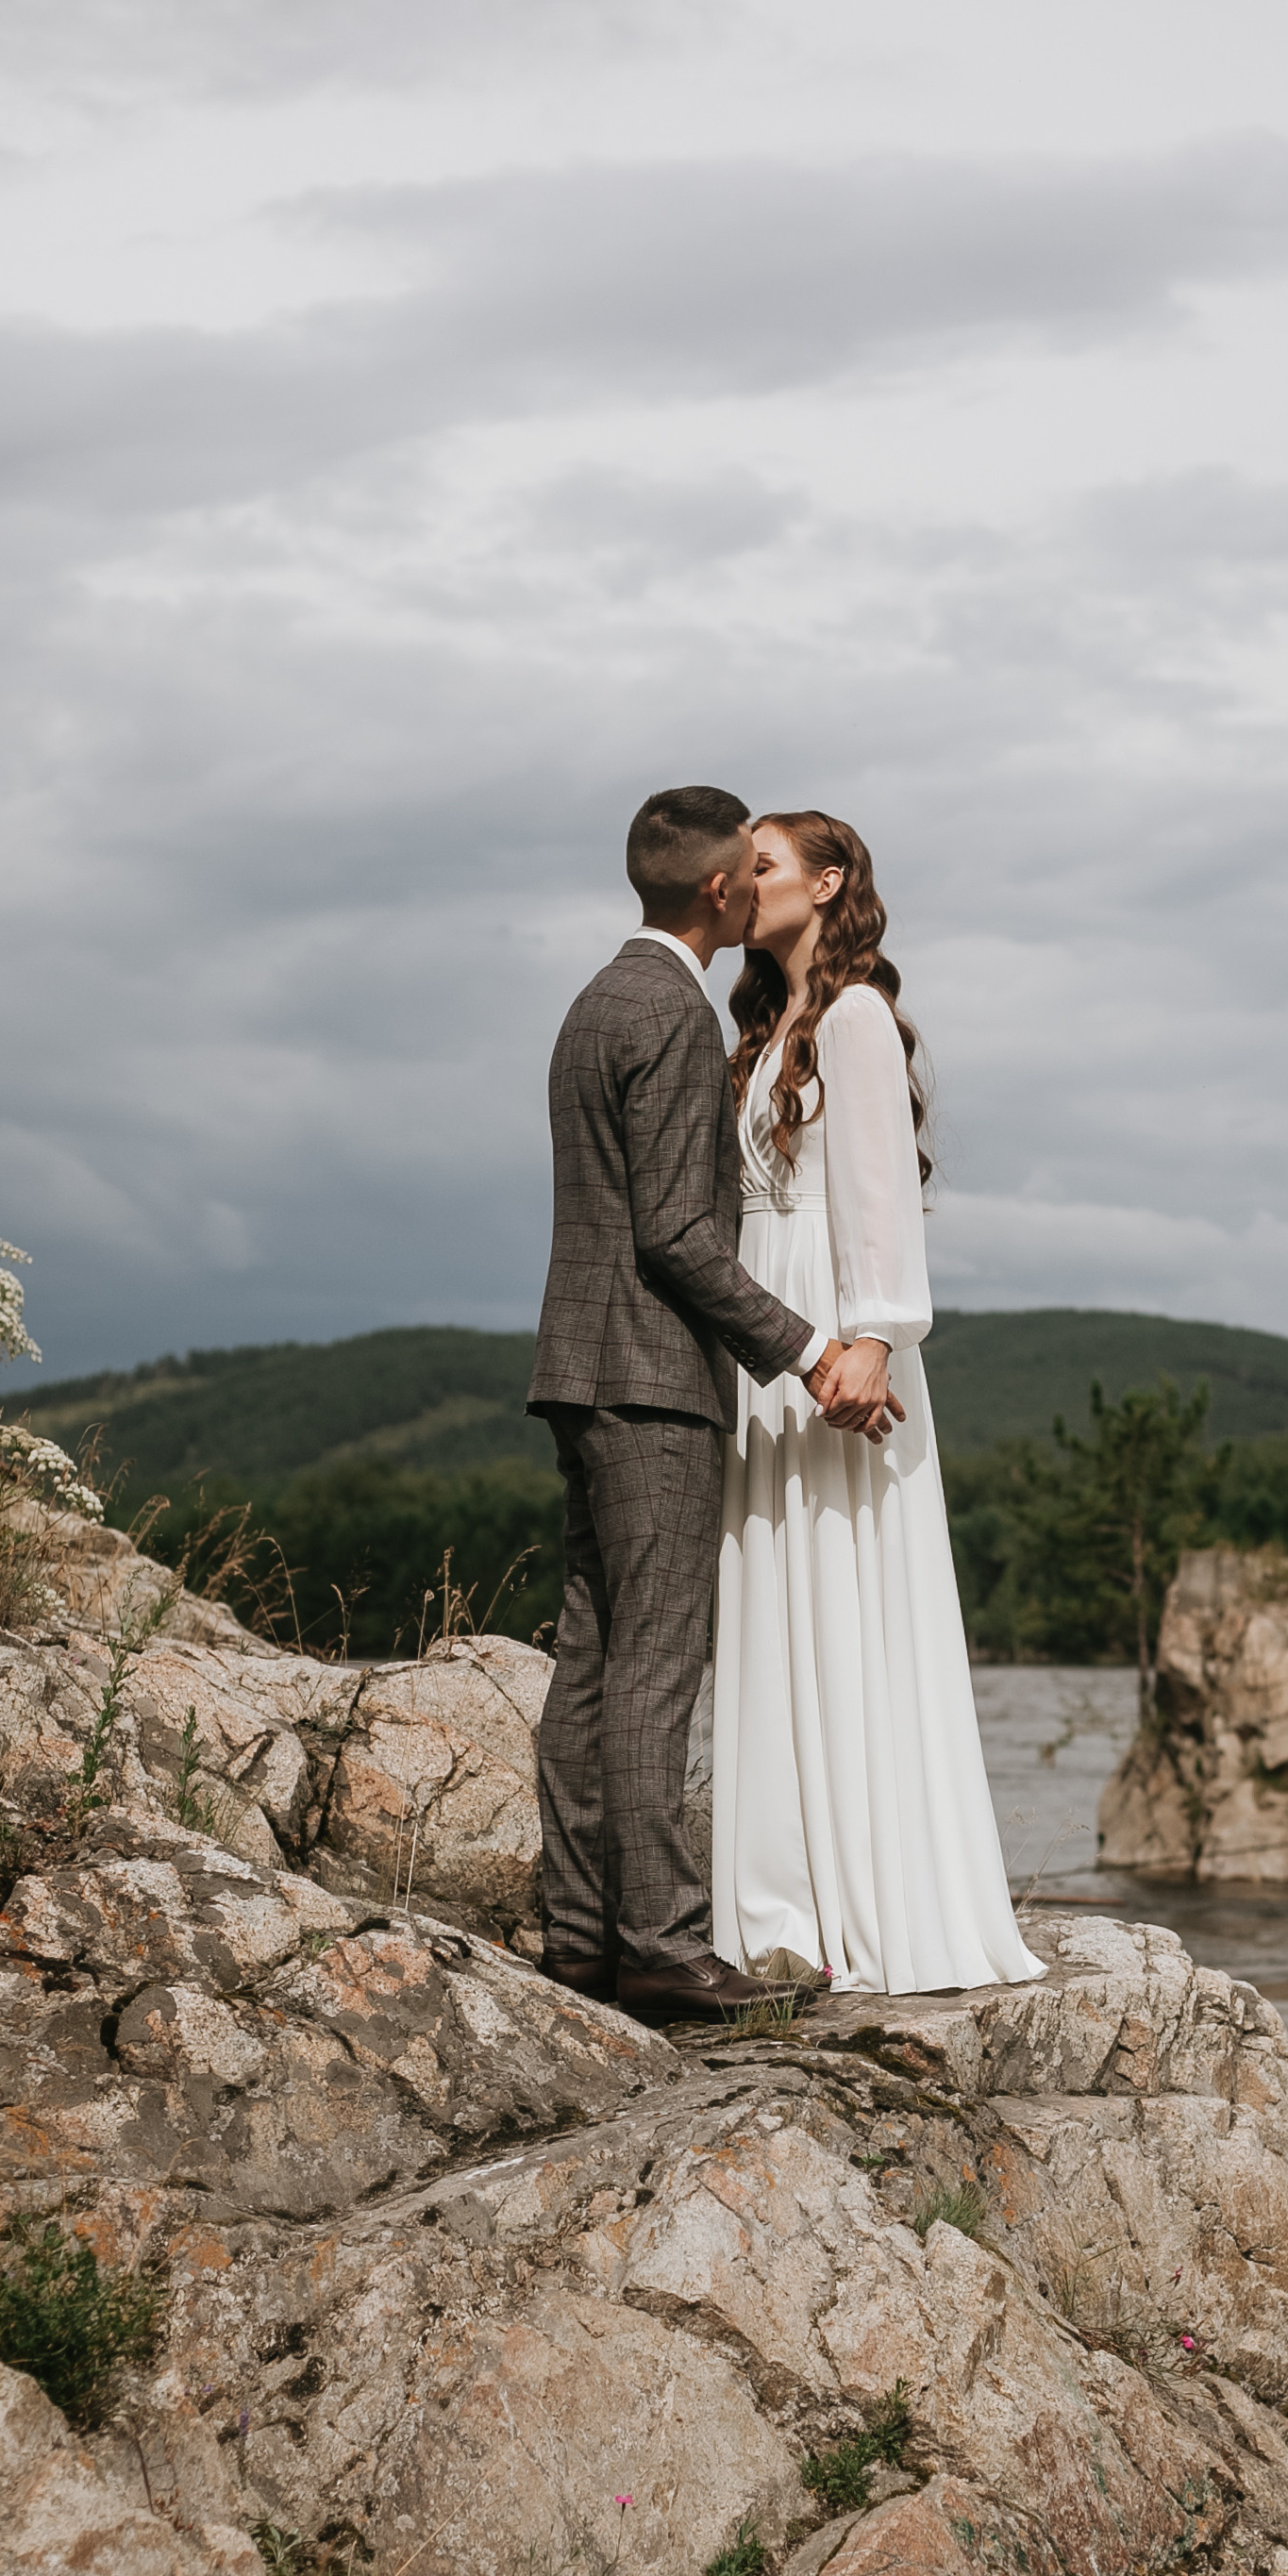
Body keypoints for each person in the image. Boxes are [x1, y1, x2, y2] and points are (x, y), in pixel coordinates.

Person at [527, 786, 895, 2020]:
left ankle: (575, 1933)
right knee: (651, 1668)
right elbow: (680, 1238)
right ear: (721, 891)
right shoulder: (676, 1021)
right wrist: (802, 1348)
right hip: (654, 1384)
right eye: (748, 867)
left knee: (586, 1658)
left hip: (576, 1371)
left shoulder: (592, 1003)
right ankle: (665, 1948)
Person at [713, 811, 1042, 1995]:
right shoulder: (765, 1027)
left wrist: (872, 1336)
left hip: (830, 1324)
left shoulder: (850, 1017)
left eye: (763, 866)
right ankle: (778, 1898)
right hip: (768, 1321)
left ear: (829, 880)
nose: (740, 884)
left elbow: (879, 1193)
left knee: (846, 1594)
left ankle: (862, 1896)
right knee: (779, 1590)